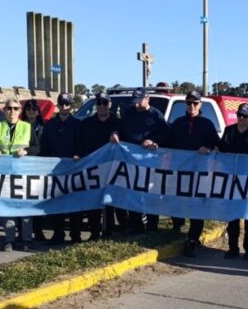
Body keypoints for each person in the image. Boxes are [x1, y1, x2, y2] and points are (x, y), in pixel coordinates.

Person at [168, 91, 220, 256]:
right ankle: (177, 226)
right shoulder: (178, 123)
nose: (192, 106)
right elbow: (167, 143)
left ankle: (193, 238)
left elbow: (218, 145)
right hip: (180, 170)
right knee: (178, 200)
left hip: (200, 172)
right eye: (189, 103)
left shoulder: (207, 124)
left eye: (195, 103)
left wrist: (208, 148)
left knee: (197, 205)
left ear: (200, 105)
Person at [112, 89, 170, 233]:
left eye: (139, 102)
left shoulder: (156, 115)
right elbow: (119, 130)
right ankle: (136, 226)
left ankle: (152, 226)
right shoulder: (128, 113)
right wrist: (115, 134)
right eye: (134, 102)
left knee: (150, 194)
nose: (136, 105)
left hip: (150, 162)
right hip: (130, 161)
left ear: (147, 98)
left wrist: (153, 140)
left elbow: (166, 135)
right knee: (132, 193)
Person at [0, 97, 40, 251]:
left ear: (20, 111)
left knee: (25, 207)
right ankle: (9, 239)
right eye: (9, 108)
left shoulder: (27, 127)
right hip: (4, 174)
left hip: (24, 173)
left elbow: (37, 147)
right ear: (4, 110)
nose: (12, 111)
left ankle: (27, 239)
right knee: (8, 207)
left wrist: (27, 151)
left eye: (15, 108)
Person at [218, 102, 248, 259]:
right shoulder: (229, 131)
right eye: (239, 115)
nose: (242, 118)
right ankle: (233, 248)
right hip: (231, 179)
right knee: (233, 215)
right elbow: (221, 148)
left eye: (245, 116)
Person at [75, 91, 120, 241]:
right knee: (92, 199)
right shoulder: (86, 123)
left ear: (110, 104)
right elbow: (80, 144)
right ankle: (94, 232)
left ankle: (108, 232)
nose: (102, 106)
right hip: (91, 167)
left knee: (109, 201)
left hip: (111, 168)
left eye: (104, 103)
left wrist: (118, 137)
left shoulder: (117, 123)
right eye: (99, 103)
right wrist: (79, 156)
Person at [40, 93, 83, 244]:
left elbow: (82, 145)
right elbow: (44, 147)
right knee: (56, 203)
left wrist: (79, 155)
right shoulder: (50, 125)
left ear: (71, 106)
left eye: (67, 104)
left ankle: (75, 235)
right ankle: (58, 233)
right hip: (54, 171)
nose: (64, 107)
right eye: (62, 104)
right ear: (57, 105)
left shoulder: (78, 124)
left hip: (73, 170)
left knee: (74, 203)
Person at [23, 99, 49, 242]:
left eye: (34, 108)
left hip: (39, 166)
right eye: (28, 108)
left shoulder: (44, 126)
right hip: (23, 167)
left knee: (38, 199)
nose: (31, 111)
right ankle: (22, 232)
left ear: (38, 111)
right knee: (23, 200)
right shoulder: (20, 125)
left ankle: (38, 230)